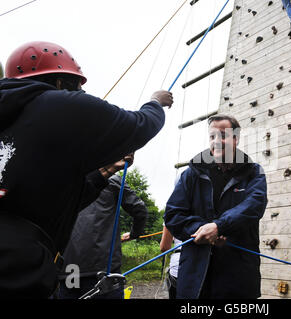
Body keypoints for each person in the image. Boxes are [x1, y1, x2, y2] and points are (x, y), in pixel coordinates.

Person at [0, 41, 173, 298]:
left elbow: (54, 199)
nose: (80, 92)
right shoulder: (59, 104)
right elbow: (139, 127)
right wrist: (155, 103)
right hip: (17, 272)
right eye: (75, 85)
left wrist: (104, 172)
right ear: (60, 83)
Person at [164, 114, 268, 299]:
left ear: (235, 139)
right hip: (195, 276)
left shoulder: (254, 172)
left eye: (223, 135)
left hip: (238, 276)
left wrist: (220, 226)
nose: (216, 141)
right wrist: (202, 230)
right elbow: (173, 215)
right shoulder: (191, 174)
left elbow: (255, 205)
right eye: (212, 136)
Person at [57, 154, 149, 299]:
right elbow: (140, 210)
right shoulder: (112, 180)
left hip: (69, 268)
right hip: (103, 269)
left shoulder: (65, 181)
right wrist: (134, 234)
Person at [160, 225, 182, 299]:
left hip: (179, 266)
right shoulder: (216, 214)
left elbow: (165, 247)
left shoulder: (172, 214)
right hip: (209, 263)